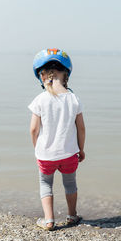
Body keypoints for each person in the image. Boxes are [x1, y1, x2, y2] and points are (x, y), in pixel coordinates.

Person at [28, 48, 86, 231]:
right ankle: (72, 215)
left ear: (42, 76)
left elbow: (33, 129)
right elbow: (81, 128)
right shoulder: (74, 99)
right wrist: (81, 149)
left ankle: (49, 220)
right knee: (70, 184)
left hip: (46, 154)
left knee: (46, 184)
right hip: (69, 153)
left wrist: (37, 147)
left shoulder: (40, 100)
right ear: (66, 75)